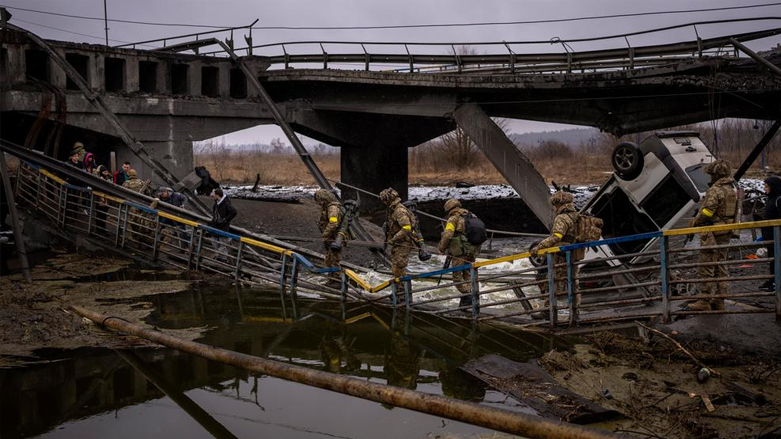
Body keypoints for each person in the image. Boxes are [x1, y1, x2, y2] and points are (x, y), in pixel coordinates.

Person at [687, 159, 739, 311]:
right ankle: (720, 299)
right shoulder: (731, 189)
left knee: (706, 265)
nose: (709, 178)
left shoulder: (715, 190)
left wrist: (696, 221)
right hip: (726, 231)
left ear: (716, 174)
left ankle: (704, 300)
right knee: (721, 265)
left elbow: (708, 211)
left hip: (712, 233)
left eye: (711, 175)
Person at [530, 191, 581, 320]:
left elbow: (557, 236)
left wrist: (539, 247)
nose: (554, 208)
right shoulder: (576, 215)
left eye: (554, 205)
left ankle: (548, 312)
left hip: (561, 256)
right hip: (575, 254)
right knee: (573, 283)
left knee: (551, 283)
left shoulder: (562, 218)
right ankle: (575, 313)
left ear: (558, 204)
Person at [438, 198, 482, 310]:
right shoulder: (471, 215)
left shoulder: (453, 218)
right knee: (468, 275)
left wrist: (441, 248)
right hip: (472, 250)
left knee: (457, 278)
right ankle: (472, 298)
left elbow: (447, 235)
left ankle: (467, 297)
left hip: (459, 253)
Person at [379, 188, 416, 280]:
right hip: (398, 243)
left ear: (389, 199)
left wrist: (394, 239)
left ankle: (402, 290)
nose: (383, 202)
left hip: (403, 243)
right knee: (396, 268)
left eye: (384, 200)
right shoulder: (393, 210)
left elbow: (407, 228)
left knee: (399, 267)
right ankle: (400, 290)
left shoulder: (399, 211)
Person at [314, 188, 347, 285]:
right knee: (329, 259)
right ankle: (332, 279)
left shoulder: (332, 208)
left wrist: (325, 234)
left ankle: (339, 281)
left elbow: (333, 223)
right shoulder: (328, 207)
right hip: (331, 238)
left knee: (334, 259)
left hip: (335, 238)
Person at [760, 176, 781, 291]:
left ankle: (776, 282)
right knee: (773, 259)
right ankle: (773, 280)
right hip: (770, 236)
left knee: (777, 260)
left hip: (777, 236)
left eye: (767, 186)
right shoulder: (771, 198)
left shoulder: (778, 199)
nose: (764, 188)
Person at [209, 188, 237, 262]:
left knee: (222, 244)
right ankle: (219, 256)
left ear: (217, 195)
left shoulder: (226, 203)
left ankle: (223, 258)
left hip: (223, 227)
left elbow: (234, 212)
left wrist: (225, 220)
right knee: (215, 242)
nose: (213, 196)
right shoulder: (216, 203)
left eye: (214, 195)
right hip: (215, 225)